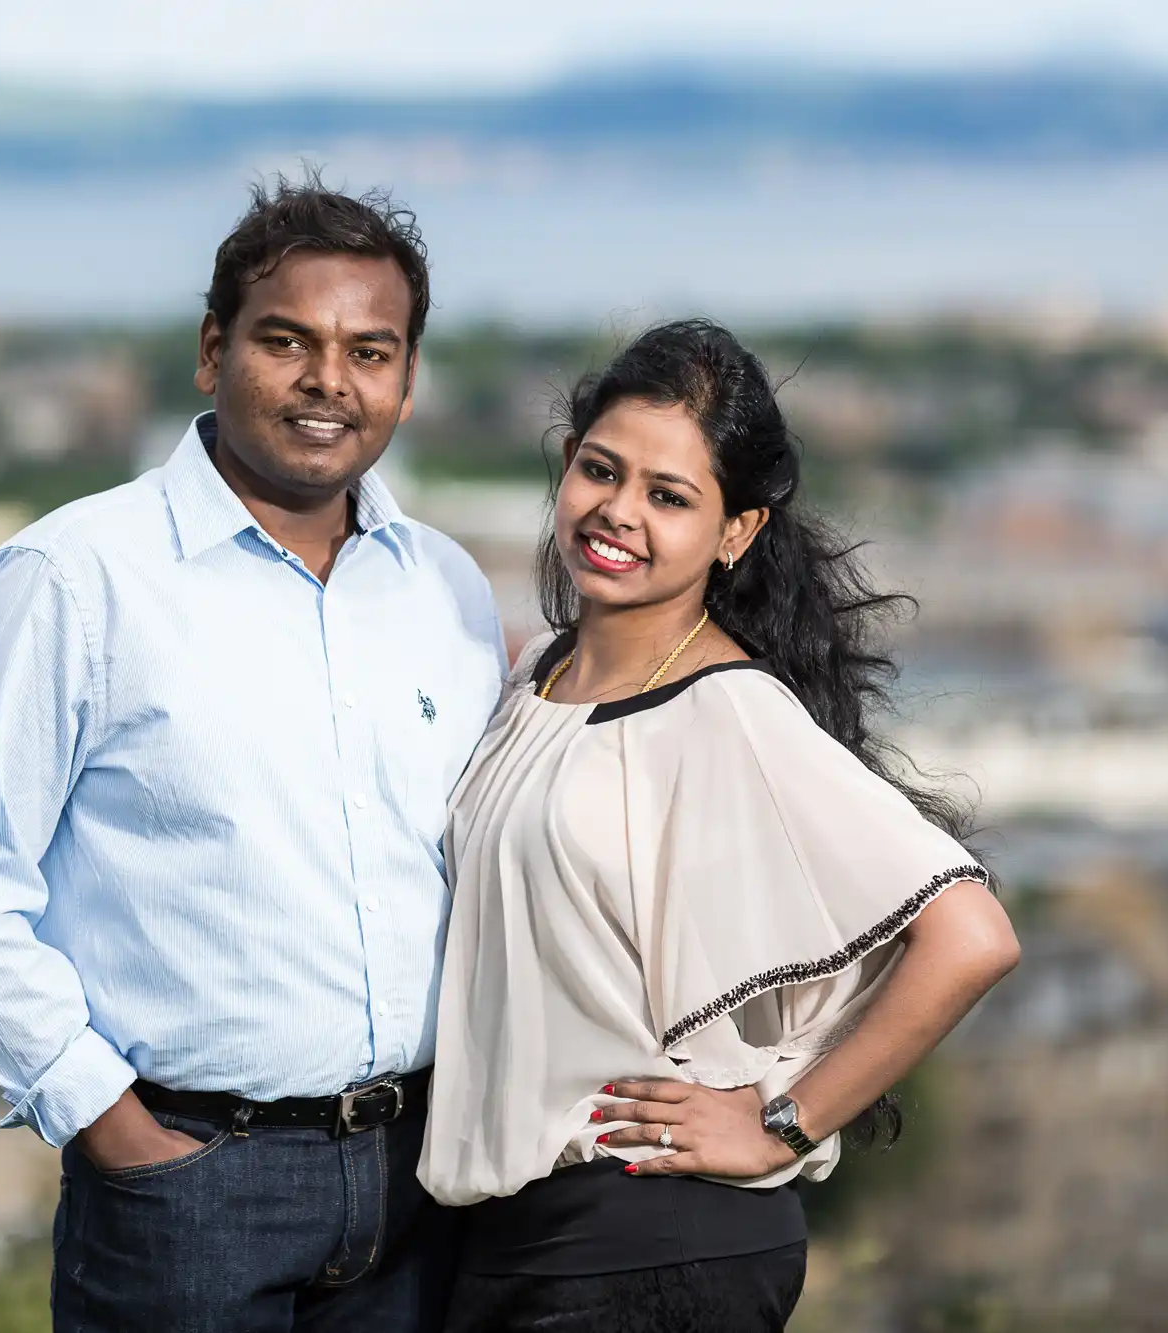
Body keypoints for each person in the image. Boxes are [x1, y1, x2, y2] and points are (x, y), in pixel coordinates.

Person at [0, 177, 506, 1333]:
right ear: (210, 350)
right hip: (190, 1184)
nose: (331, 380)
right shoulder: (77, 577)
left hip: (423, 1177)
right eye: (288, 341)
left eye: (370, 351)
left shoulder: (446, 588)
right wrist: (108, 1122)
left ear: (407, 381)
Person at [418, 319, 1022, 1332]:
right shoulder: (537, 678)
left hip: (646, 1251)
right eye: (600, 471)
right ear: (565, 465)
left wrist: (777, 1127)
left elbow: (969, 934)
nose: (617, 512)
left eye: (668, 496)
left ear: (733, 531)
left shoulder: (726, 709)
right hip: (514, 1248)